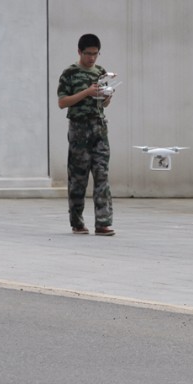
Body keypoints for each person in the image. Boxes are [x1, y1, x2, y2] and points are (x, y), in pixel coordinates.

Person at [57, 33, 115, 236]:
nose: (92, 58)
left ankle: (103, 222)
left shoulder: (101, 72)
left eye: (95, 54)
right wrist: (86, 93)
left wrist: (107, 96)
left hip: (99, 127)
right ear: (79, 52)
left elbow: (103, 103)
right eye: (88, 54)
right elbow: (62, 102)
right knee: (78, 178)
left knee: (102, 175)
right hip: (79, 129)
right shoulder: (70, 74)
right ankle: (77, 221)